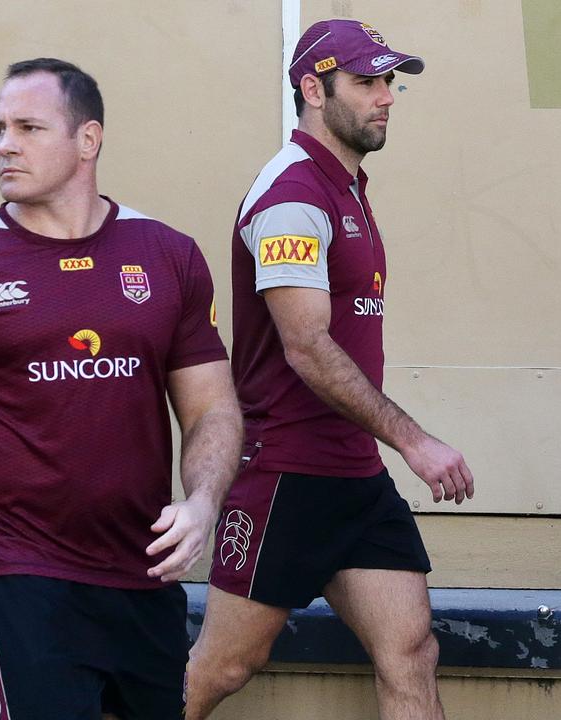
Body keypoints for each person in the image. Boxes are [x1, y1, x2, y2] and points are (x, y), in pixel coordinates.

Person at [0, 58, 242, 717]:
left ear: (88, 140)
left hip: (142, 574)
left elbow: (212, 408)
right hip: (15, 573)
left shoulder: (166, 256)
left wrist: (203, 502)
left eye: (28, 127)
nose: (4, 144)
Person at [185, 19, 474, 720]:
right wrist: (413, 440)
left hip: (353, 477)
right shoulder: (291, 195)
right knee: (223, 667)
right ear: (312, 89)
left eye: (388, 82)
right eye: (366, 82)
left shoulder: (345, 188)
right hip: (285, 472)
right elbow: (306, 346)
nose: (386, 97)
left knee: (409, 652)